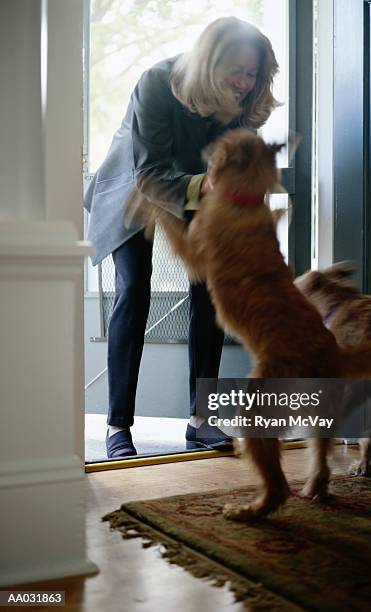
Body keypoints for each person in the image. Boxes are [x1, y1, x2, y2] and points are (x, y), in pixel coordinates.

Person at [84, 16, 280, 458]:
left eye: (253, 73)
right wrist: (207, 185)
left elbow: (240, 170)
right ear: (211, 61)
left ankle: (201, 419)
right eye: (238, 70)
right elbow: (150, 173)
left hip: (199, 194)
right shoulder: (157, 81)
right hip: (136, 188)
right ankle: (117, 427)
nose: (245, 82)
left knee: (210, 290)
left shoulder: (246, 102)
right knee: (134, 290)